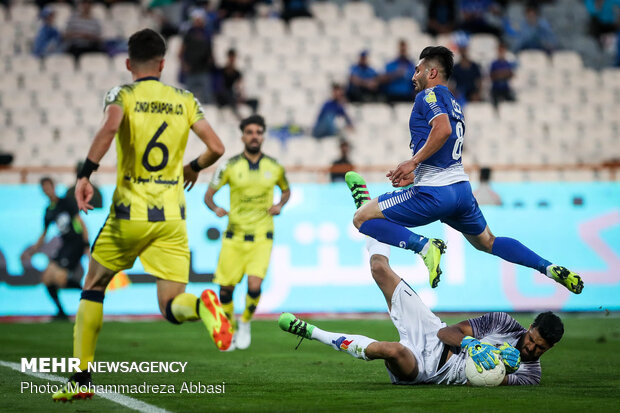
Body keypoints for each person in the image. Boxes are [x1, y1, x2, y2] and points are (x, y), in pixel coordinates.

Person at [52, 29, 232, 402]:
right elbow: (216, 147)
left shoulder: (123, 94)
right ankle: (203, 305)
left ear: (129, 63)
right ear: (164, 64)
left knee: (94, 285)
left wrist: (85, 173)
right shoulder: (184, 98)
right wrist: (193, 167)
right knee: (170, 305)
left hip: (128, 214)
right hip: (171, 217)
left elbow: (111, 126)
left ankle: (81, 378)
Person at [344, 46, 583, 294]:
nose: (413, 76)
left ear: (432, 72)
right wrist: (418, 173)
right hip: (461, 192)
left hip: (434, 193)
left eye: (417, 70)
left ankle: (424, 247)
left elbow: (443, 130)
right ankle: (548, 267)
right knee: (488, 242)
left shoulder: (428, 96)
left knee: (361, 218)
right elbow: (446, 146)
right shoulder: (454, 103)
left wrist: (413, 162)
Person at [279, 237, 564, 386]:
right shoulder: (503, 323)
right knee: (380, 269)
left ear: (550, 348)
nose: (532, 348)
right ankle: (369, 219)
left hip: (426, 370)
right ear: (529, 329)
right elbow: (446, 331)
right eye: (532, 340)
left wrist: (505, 364)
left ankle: (312, 332)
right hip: (429, 331)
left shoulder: (530, 375)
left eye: (540, 348)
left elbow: (486, 379)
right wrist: (473, 345)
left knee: (391, 351)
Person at [205, 114, 290, 350]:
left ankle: (245, 322)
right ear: (242, 136)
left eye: (259, 132)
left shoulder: (274, 167)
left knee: (254, 286)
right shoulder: (229, 166)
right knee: (225, 289)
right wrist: (216, 208)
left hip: (262, 236)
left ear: (263, 136)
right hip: (234, 236)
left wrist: (280, 205)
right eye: (250, 132)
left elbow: (286, 190)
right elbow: (208, 196)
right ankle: (229, 327)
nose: (255, 136)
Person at [26, 177, 89, 320]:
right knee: (47, 278)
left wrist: (86, 245)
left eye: (48, 187)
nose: (47, 190)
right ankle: (61, 312)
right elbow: (44, 233)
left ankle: (89, 292)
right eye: (44, 188)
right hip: (65, 245)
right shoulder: (49, 210)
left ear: (54, 187)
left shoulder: (66, 202)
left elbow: (80, 222)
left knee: (59, 279)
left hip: (76, 243)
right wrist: (34, 249)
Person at [179, 9, 215, 104]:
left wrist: (210, 62)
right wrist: (184, 65)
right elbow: (181, 52)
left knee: (207, 97)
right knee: (188, 98)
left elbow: (210, 51)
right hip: (191, 70)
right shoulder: (188, 34)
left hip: (203, 70)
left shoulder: (207, 34)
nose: (198, 21)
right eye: (196, 19)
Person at [215, 48, 259, 119]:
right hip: (224, 97)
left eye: (233, 57)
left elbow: (239, 86)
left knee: (255, 102)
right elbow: (220, 87)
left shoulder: (237, 73)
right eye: (231, 57)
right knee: (229, 95)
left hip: (234, 96)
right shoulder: (222, 72)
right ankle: (239, 118)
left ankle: (253, 117)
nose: (232, 60)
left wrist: (240, 96)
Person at [489, 42, 515, 107]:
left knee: (512, 103)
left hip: (505, 89)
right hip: (496, 89)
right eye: (500, 50)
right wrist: (503, 73)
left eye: (502, 50)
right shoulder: (494, 63)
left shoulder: (507, 63)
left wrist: (499, 74)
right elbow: (492, 76)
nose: (501, 52)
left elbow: (510, 74)